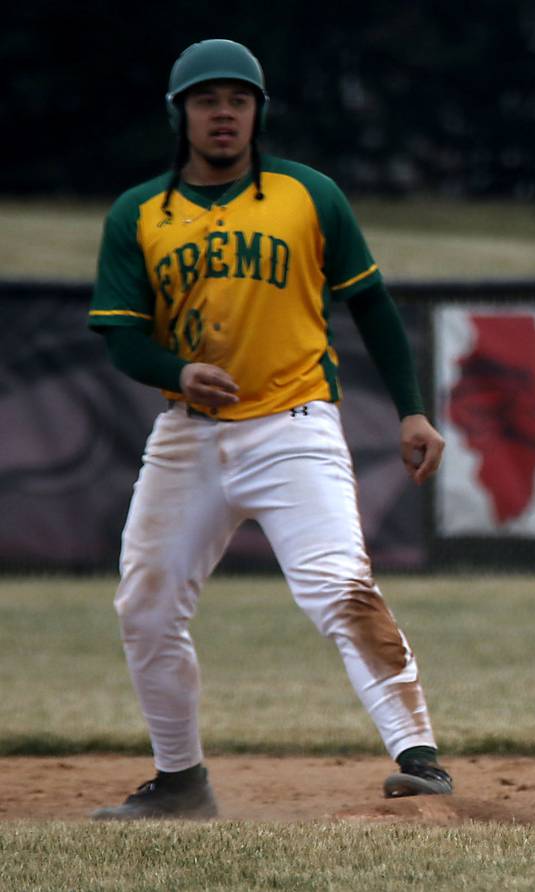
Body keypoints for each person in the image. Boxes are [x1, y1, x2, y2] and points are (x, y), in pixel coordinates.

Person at [88, 39, 452, 819]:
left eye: (239, 99)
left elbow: (373, 305)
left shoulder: (308, 195)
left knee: (338, 588)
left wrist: (412, 408)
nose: (224, 113)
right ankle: (181, 782)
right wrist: (176, 370)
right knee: (144, 608)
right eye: (206, 100)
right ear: (179, 115)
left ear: (258, 112)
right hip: (189, 435)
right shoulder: (140, 214)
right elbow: (120, 335)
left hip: (294, 426)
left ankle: (419, 757)